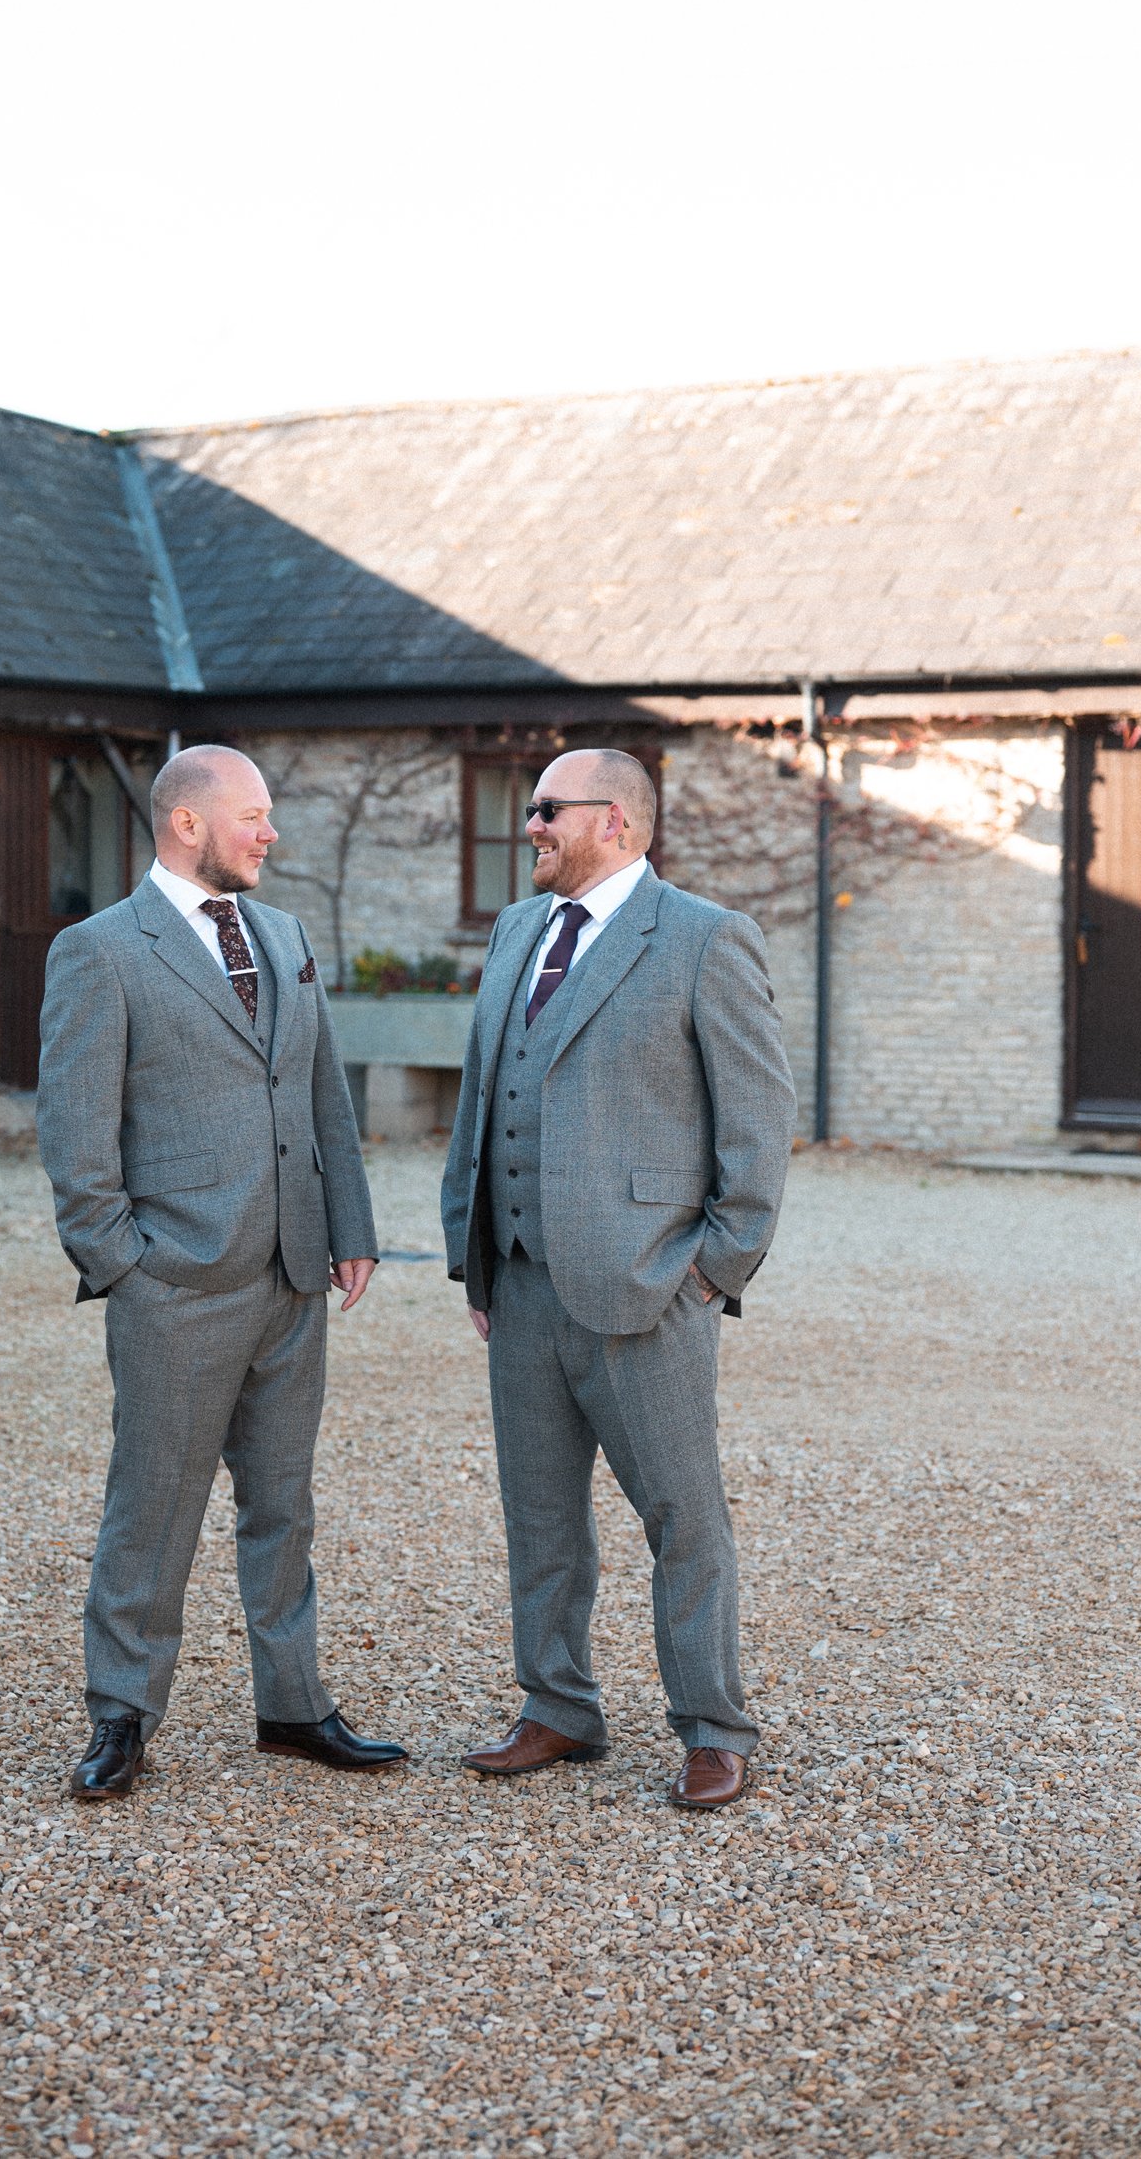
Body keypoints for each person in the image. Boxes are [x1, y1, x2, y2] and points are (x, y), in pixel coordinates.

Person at [37, 743, 405, 1799]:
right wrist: (124, 1265)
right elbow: (74, 1133)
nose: (269, 831)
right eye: (252, 814)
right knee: (152, 1506)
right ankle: (122, 1716)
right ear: (187, 823)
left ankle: (292, 1706)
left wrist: (351, 1225)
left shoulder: (281, 933)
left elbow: (320, 1089)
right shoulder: (100, 951)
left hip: (293, 1274)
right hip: (175, 1287)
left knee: (282, 1506)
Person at [442, 748, 795, 1810]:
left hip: (649, 1288)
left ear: (617, 824)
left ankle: (711, 1725)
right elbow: (478, 1095)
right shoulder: (515, 930)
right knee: (538, 1515)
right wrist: (472, 1249)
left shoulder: (702, 939)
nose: (531, 826)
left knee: (682, 1516)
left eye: (546, 810)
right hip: (520, 1284)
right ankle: (556, 1706)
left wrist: (712, 1269)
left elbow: (758, 1120)